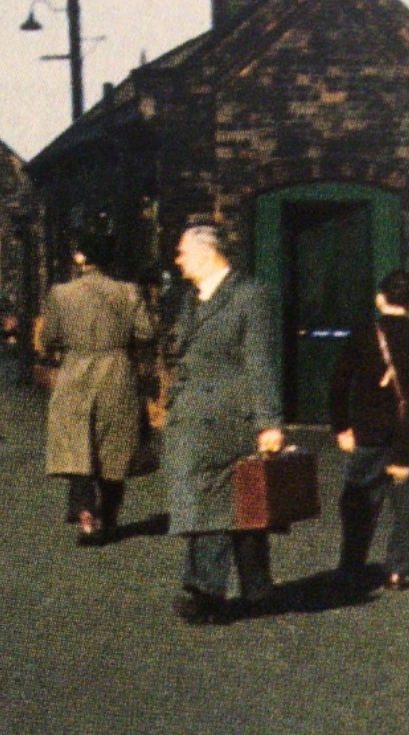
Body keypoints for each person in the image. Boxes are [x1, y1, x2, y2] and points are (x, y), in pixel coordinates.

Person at [163, 225, 284, 624]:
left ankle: (207, 596)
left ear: (207, 252)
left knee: (213, 504)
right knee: (233, 503)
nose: (178, 260)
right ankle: (257, 590)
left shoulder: (250, 295)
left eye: (182, 252)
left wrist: (270, 421)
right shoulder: (192, 298)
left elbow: (261, 361)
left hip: (229, 415)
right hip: (194, 414)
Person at [40, 233, 155, 546]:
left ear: (81, 258)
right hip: (117, 375)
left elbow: (48, 338)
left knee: (77, 447)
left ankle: (85, 517)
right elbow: (146, 333)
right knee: (113, 451)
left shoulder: (62, 294)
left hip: (76, 373)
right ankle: (111, 518)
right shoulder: (129, 292)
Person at [329, 270, 409, 591]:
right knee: (407, 506)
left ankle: (352, 566)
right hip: (408, 434)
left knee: (359, 504)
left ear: (379, 298)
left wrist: (342, 427)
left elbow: (339, 384)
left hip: (368, 431)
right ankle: (400, 568)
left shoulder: (362, 335)